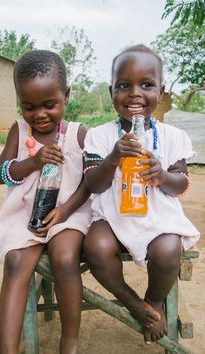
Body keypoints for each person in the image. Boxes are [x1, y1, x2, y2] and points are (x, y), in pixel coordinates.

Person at [83, 44, 200, 345]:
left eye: (146, 85)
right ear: (112, 92)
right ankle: (132, 300)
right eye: (124, 85)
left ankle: (154, 300)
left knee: (168, 249)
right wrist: (112, 159)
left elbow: (181, 183)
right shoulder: (100, 136)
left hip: (157, 217)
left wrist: (162, 175)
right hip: (112, 215)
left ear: (160, 93)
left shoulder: (173, 137)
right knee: (96, 246)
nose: (135, 93)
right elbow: (93, 185)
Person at [0, 49, 91, 354]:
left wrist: (65, 211)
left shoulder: (78, 134)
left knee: (64, 259)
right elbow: (1, 174)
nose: (39, 114)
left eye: (50, 104)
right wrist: (33, 162)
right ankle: (7, 350)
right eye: (29, 106)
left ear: (66, 95)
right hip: (25, 215)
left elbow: (91, 182)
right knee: (16, 262)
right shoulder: (19, 132)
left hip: (68, 213)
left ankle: (69, 342)